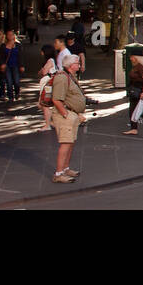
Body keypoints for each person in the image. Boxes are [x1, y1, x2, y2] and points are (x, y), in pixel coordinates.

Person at [50, 54, 87, 183]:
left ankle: (65, 169)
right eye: (77, 63)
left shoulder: (70, 76)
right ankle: (59, 173)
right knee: (65, 143)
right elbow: (56, 99)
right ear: (71, 65)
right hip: (65, 115)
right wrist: (65, 114)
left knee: (70, 143)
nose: (79, 65)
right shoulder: (62, 78)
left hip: (72, 114)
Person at [36, 44, 57, 130]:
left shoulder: (50, 61)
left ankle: (48, 124)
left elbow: (44, 72)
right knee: (41, 104)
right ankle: (52, 121)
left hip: (48, 84)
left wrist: (42, 70)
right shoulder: (51, 60)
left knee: (44, 104)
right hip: (48, 83)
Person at [2, 30, 23, 103]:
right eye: (8, 35)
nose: (10, 36)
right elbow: (1, 56)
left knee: (16, 81)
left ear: (14, 35)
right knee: (9, 81)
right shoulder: (4, 45)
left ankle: (17, 92)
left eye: (11, 35)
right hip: (7, 65)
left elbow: (20, 56)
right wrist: (2, 64)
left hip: (16, 65)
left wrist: (21, 65)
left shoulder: (18, 45)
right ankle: (10, 96)